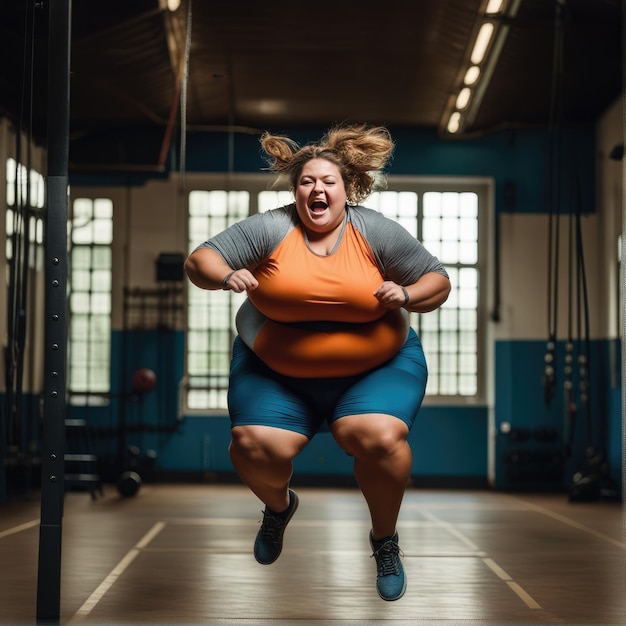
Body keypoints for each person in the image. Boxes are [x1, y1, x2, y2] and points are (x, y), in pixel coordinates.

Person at [185, 123, 450, 601]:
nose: (317, 190)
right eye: (307, 182)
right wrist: (227, 274)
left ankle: (384, 540)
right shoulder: (270, 227)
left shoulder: (375, 231)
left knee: (377, 437)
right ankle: (278, 507)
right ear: (295, 190)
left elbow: (437, 280)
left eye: (328, 181)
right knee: (250, 446)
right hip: (276, 371)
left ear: (347, 189)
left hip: (376, 368)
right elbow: (199, 260)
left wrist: (406, 292)